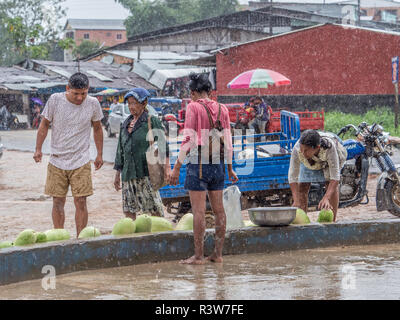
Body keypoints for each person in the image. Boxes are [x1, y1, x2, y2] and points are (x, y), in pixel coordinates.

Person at [169, 73, 239, 265]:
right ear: (209, 91)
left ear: (193, 93)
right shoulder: (223, 108)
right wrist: (230, 168)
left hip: (198, 163)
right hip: (218, 163)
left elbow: (188, 138)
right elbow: (229, 142)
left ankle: (198, 256)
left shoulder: (193, 107)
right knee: (219, 211)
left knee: (198, 212)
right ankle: (218, 254)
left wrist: (176, 168)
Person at [33, 73, 104, 237]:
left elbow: (98, 128)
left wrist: (99, 154)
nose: (80, 98)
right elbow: (44, 124)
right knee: (57, 201)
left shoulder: (93, 103)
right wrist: (38, 149)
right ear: (67, 88)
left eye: (83, 93)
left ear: (88, 91)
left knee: (81, 201)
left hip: (81, 160)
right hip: (57, 160)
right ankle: (60, 236)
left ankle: (81, 238)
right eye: (76, 93)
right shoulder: (55, 100)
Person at [113, 88, 171, 220]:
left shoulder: (151, 121)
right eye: (129, 103)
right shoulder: (125, 123)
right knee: (129, 210)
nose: (131, 107)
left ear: (144, 103)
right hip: (128, 174)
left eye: (134, 103)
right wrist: (117, 174)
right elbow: (120, 150)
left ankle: (158, 235)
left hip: (146, 173)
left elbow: (163, 145)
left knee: (154, 209)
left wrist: (167, 168)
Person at [288, 130, 347, 222]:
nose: (303, 152)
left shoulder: (329, 148)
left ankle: (332, 221)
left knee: (329, 186)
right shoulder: (298, 149)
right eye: (302, 149)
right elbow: (292, 176)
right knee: (302, 187)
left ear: (317, 147)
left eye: (306, 150)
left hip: (327, 159)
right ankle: (302, 221)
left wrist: (326, 198)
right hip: (309, 161)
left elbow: (335, 177)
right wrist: (296, 200)